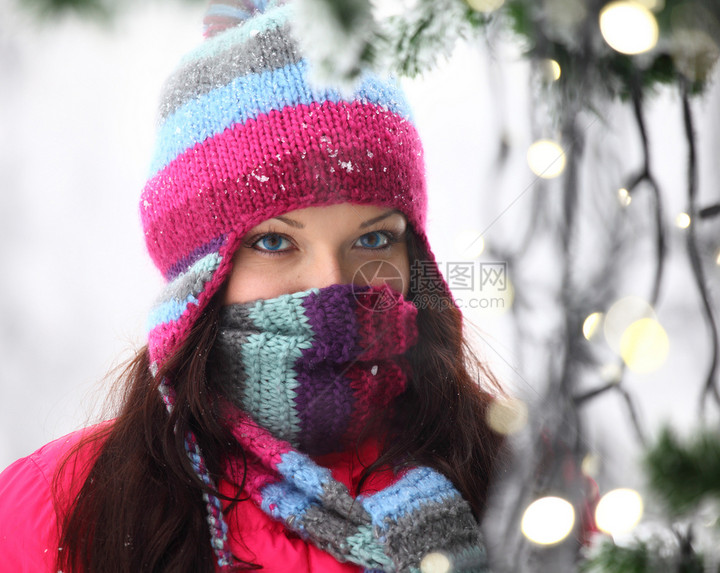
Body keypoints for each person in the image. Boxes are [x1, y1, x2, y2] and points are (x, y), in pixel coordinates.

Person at [0, 1, 506, 571]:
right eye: (274, 242)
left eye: (372, 241)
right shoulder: (60, 505)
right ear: (200, 273)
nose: (330, 284)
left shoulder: (514, 475)